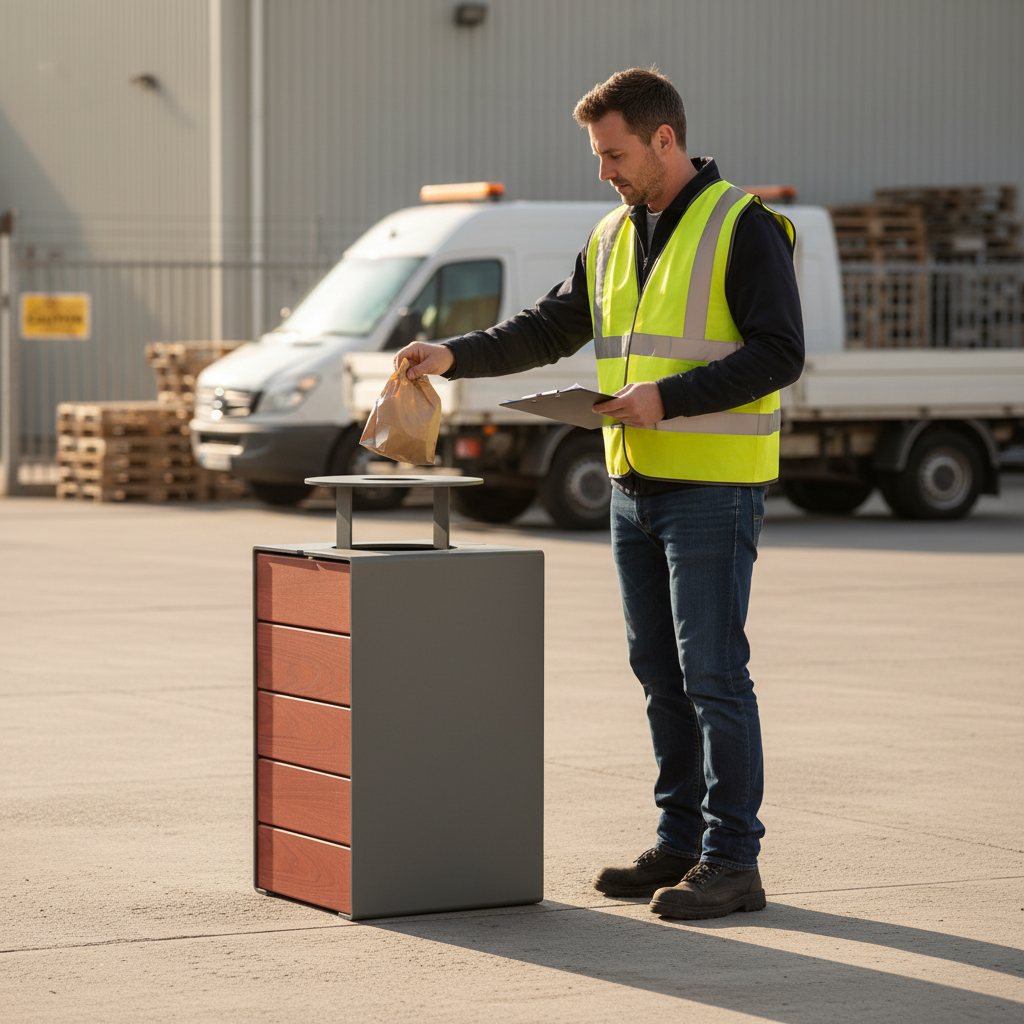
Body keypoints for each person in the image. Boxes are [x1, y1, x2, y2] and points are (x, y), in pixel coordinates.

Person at [394, 67, 804, 920]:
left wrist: (668, 398)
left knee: (714, 676)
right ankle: (680, 842)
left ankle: (734, 861)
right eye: (598, 155)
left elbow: (779, 352)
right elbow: (550, 327)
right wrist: (453, 355)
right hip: (632, 483)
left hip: (712, 488)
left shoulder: (743, 225)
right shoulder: (613, 235)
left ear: (665, 139)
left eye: (614, 154)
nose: (603, 170)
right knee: (659, 674)